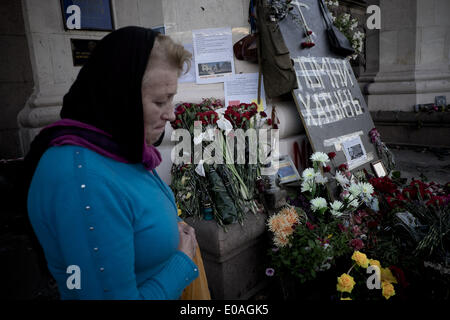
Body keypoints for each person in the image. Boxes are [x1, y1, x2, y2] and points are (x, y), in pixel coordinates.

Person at [24, 26, 199, 299]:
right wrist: (182, 263)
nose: (171, 115)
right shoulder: (82, 179)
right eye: (159, 101)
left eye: (172, 98)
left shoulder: (117, 146)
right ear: (120, 96)